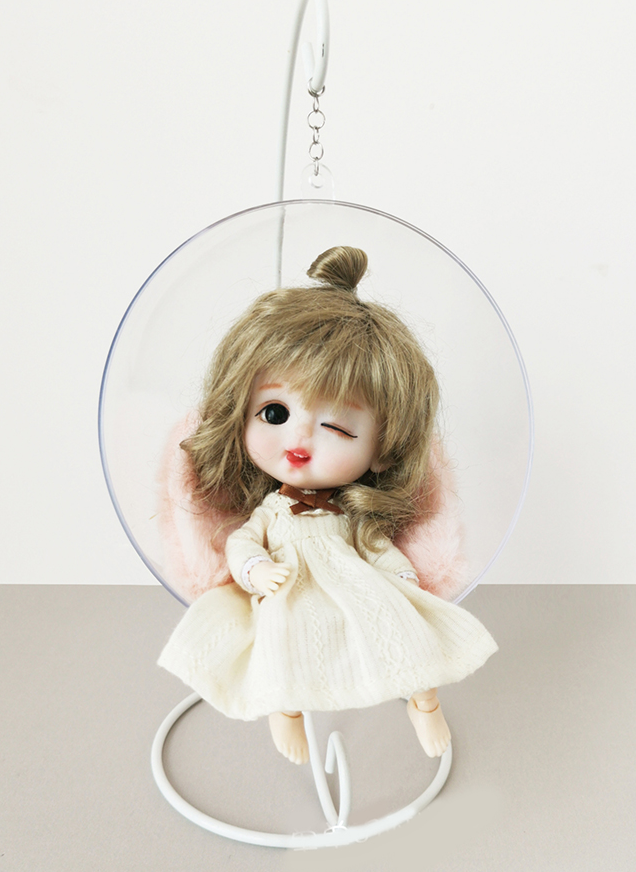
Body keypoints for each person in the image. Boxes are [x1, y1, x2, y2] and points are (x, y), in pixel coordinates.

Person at [158, 245, 497, 764]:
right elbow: (243, 542)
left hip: (358, 587)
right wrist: (255, 569)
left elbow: (376, 548)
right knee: (283, 642)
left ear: (382, 449)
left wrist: (403, 578)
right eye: (274, 413)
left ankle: (424, 701)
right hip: (288, 589)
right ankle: (286, 709)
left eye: (336, 426)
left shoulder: (349, 515)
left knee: (406, 633)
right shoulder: (271, 511)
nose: (299, 439)